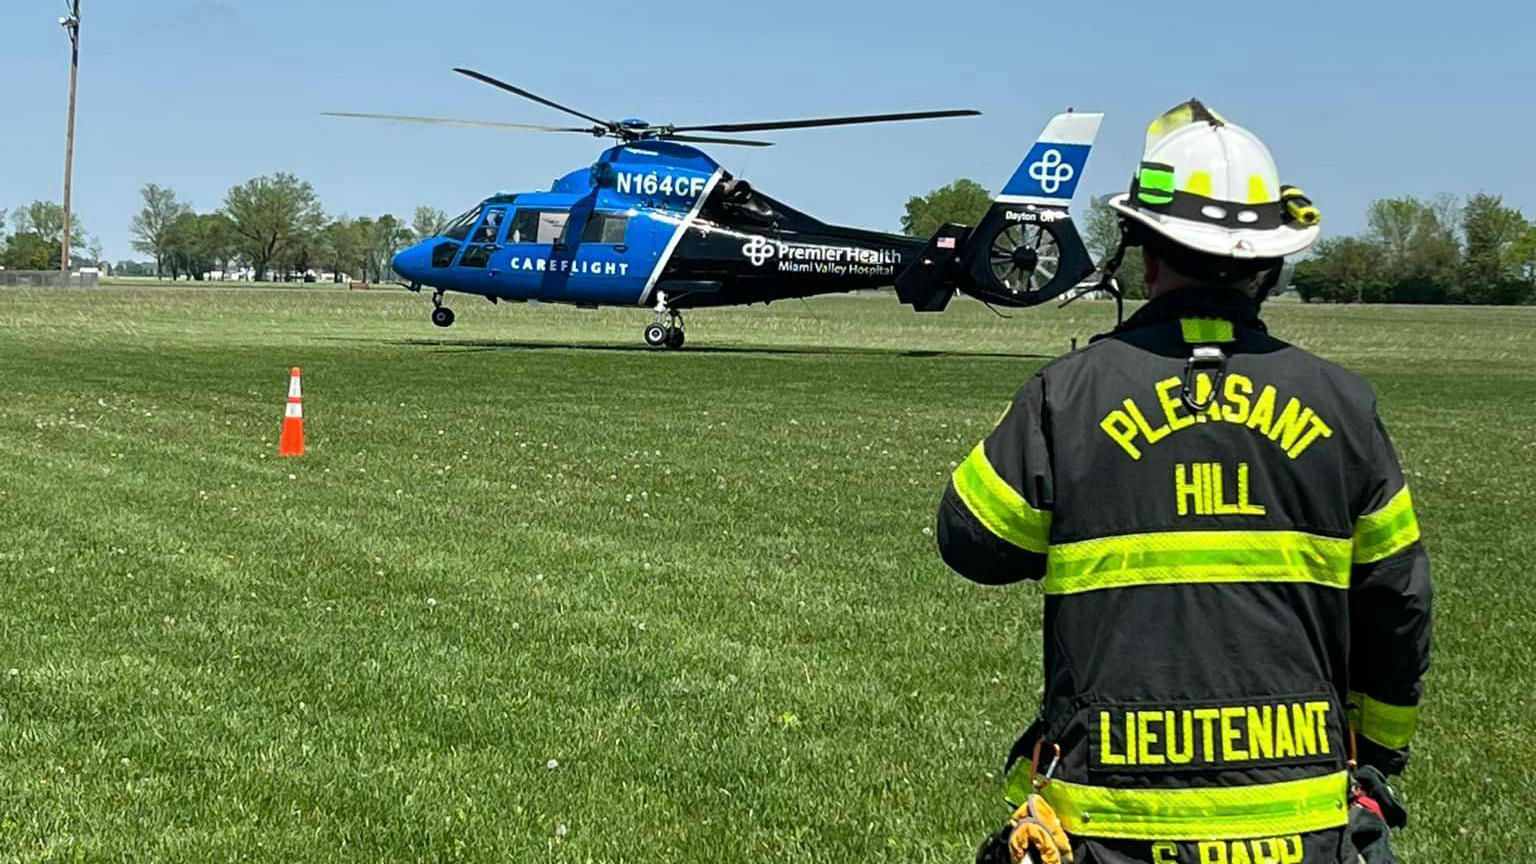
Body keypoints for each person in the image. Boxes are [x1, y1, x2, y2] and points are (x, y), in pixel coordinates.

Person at [936, 100, 1432, 864]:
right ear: (1269, 263)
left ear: (1145, 251)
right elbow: (1398, 601)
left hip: (1109, 831)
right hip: (1302, 829)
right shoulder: (1344, 405)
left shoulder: (1069, 394)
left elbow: (972, 540)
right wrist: (1378, 760)